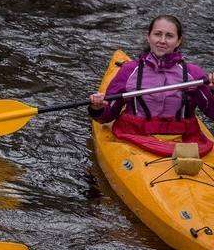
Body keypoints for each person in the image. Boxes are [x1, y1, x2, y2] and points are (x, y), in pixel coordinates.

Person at [89, 15, 214, 156]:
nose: (162, 40)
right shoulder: (129, 71)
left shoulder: (194, 74)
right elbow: (107, 116)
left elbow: (212, 111)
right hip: (135, 138)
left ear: (178, 41)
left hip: (183, 142)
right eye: (157, 34)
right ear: (148, 37)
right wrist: (97, 108)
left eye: (169, 36)